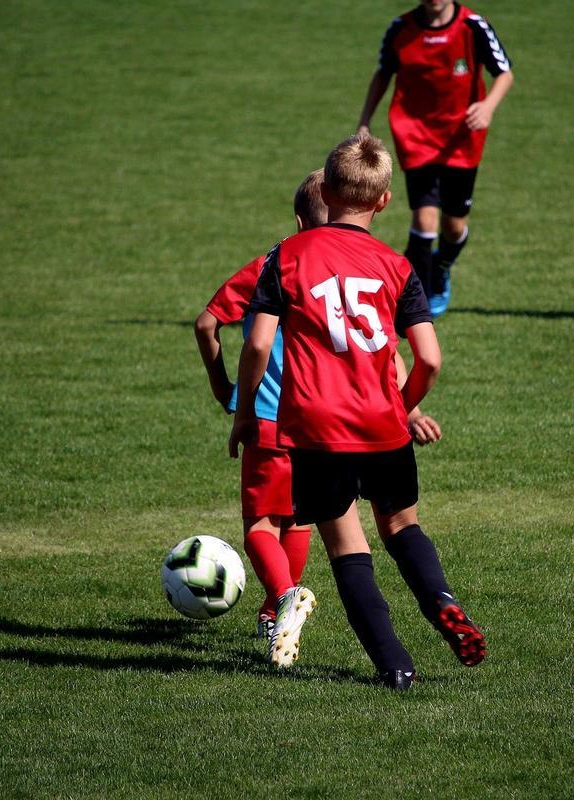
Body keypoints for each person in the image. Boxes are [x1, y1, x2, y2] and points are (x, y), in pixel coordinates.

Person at [229, 135, 485, 691]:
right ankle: (442, 600)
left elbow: (255, 346)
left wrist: (245, 412)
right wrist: (402, 407)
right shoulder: (396, 266)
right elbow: (430, 359)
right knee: (402, 526)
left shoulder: (286, 257)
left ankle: (395, 665)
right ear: (385, 200)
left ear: (325, 186)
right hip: (383, 422)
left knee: (347, 544)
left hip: (317, 429)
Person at [194, 169, 442, 665]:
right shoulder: (368, 267)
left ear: (298, 217)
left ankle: (285, 598)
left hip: (273, 415)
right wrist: (406, 407)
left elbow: (211, 323)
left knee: (261, 523)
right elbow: (388, 350)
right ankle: (274, 610)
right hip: (340, 424)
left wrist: (227, 391)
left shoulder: (277, 262)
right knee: (301, 520)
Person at [356, 0, 513, 317]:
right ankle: (415, 300)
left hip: (461, 141)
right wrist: (364, 121)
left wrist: (488, 107)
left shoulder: (473, 27)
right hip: (415, 137)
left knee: (454, 228)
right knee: (424, 219)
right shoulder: (401, 29)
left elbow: (504, 72)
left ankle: (441, 267)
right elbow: (383, 73)